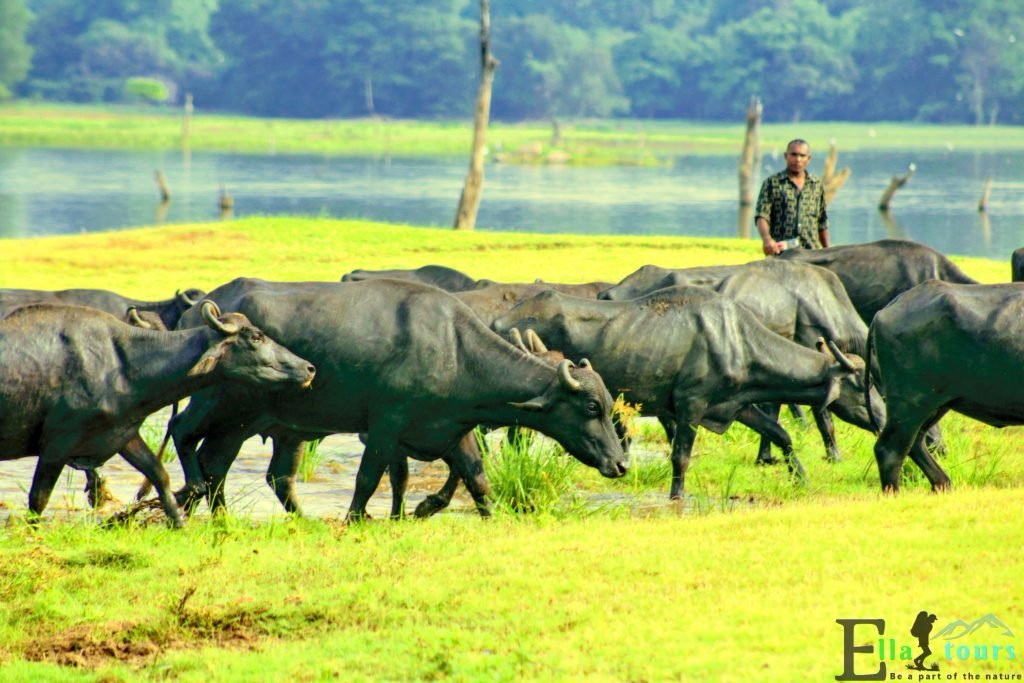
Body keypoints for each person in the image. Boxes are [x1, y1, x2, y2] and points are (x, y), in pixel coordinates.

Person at [755, 139, 830, 256]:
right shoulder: (772, 183)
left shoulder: (816, 185)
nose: (798, 159)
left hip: (811, 252)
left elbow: (822, 222)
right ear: (786, 156)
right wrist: (767, 239)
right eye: (794, 155)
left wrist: (827, 250)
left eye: (802, 155)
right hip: (782, 253)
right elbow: (762, 216)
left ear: (808, 159)